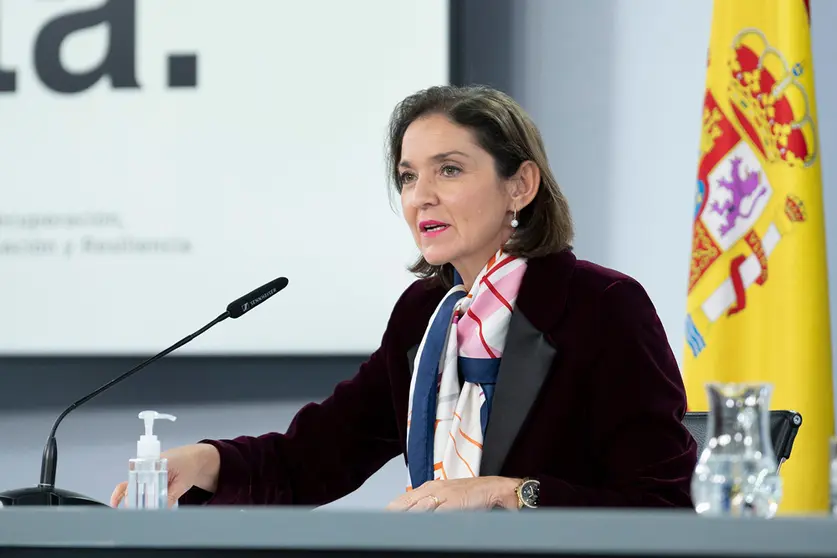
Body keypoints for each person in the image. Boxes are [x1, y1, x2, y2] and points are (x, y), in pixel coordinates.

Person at [111, 85, 697, 511]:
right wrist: (205, 462)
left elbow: (663, 503)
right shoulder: (426, 315)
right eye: (408, 176)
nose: (421, 197)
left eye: (448, 170)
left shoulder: (601, 306)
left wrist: (508, 494)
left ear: (520, 184)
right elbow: (315, 456)